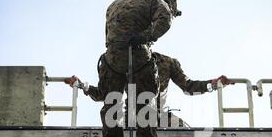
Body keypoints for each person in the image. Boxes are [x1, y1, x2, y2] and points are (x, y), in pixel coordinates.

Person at [76, 0, 180, 137]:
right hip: (140, 56)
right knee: (145, 106)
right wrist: (145, 36)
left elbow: (108, 36)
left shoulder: (114, 3)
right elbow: (165, 21)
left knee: (112, 106)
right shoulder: (156, 2)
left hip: (112, 58)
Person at [66, 53, 231, 127]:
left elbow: (188, 87)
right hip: (132, 119)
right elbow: (105, 94)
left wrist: (213, 84)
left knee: (184, 132)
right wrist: (82, 85)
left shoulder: (167, 63)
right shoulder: (123, 64)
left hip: (160, 115)